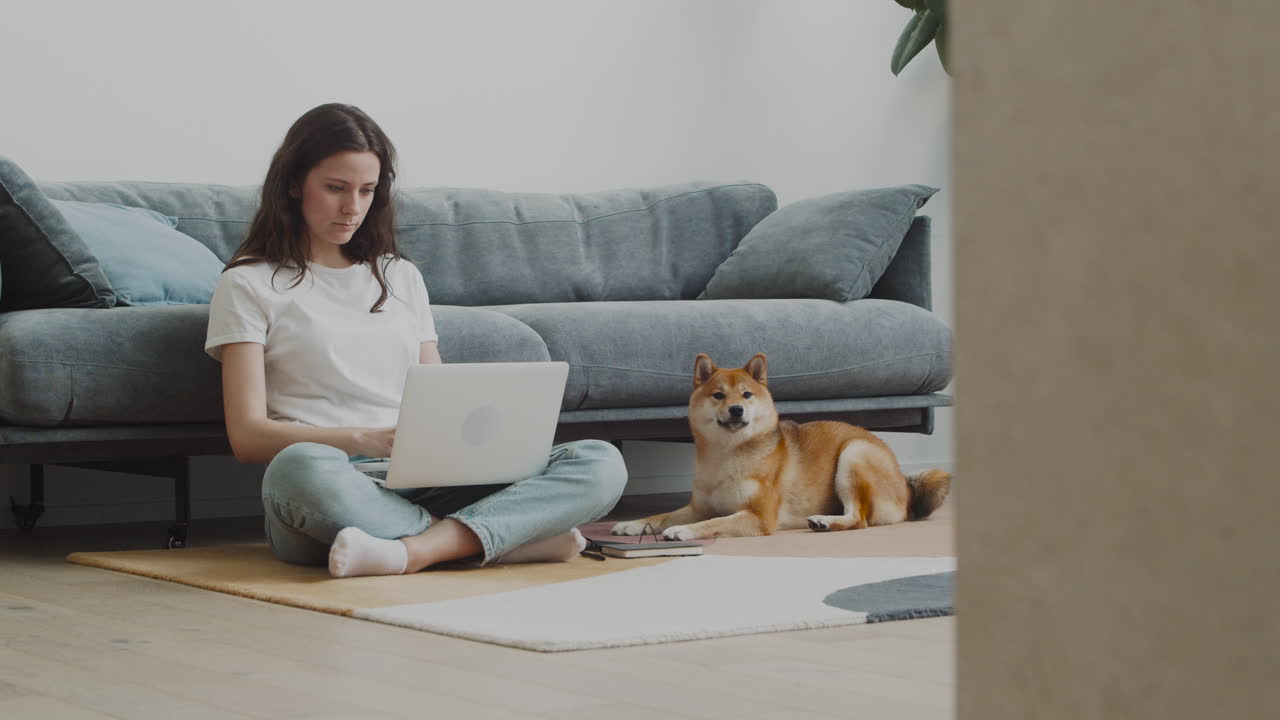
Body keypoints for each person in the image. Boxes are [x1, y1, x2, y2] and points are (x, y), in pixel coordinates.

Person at [204, 103, 627, 578]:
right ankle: (495, 538)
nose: (352, 208)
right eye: (335, 188)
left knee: (599, 460)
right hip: (341, 484)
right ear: (293, 183)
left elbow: (439, 396)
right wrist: (362, 438)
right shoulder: (248, 284)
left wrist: (470, 443)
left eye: (367, 191)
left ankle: (415, 551)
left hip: (430, 475)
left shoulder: (399, 276)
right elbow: (246, 436)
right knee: (295, 468)